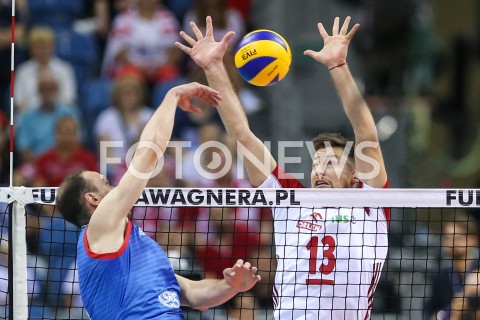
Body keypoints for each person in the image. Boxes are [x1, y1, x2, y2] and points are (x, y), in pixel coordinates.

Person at [176, 16, 389, 319]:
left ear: (355, 176)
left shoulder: (372, 205)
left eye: (330, 163)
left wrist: (338, 67)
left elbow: (367, 136)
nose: (319, 171)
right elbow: (242, 134)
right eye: (316, 164)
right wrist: (213, 67)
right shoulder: (290, 200)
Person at [56, 82, 261, 319]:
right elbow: (148, 153)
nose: (113, 184)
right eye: (105, 182)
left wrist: (231, 286)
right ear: (92, 199)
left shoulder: (140, 246)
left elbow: (194, 294)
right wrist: (172, 96)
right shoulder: (99, 225)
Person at [424, 211, 479, 320]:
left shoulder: (478, 273)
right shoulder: (439, 278)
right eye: (448, 238)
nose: (452, 243)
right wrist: (452, 312)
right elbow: (430, 315)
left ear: (473, 239)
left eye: (458, 237)